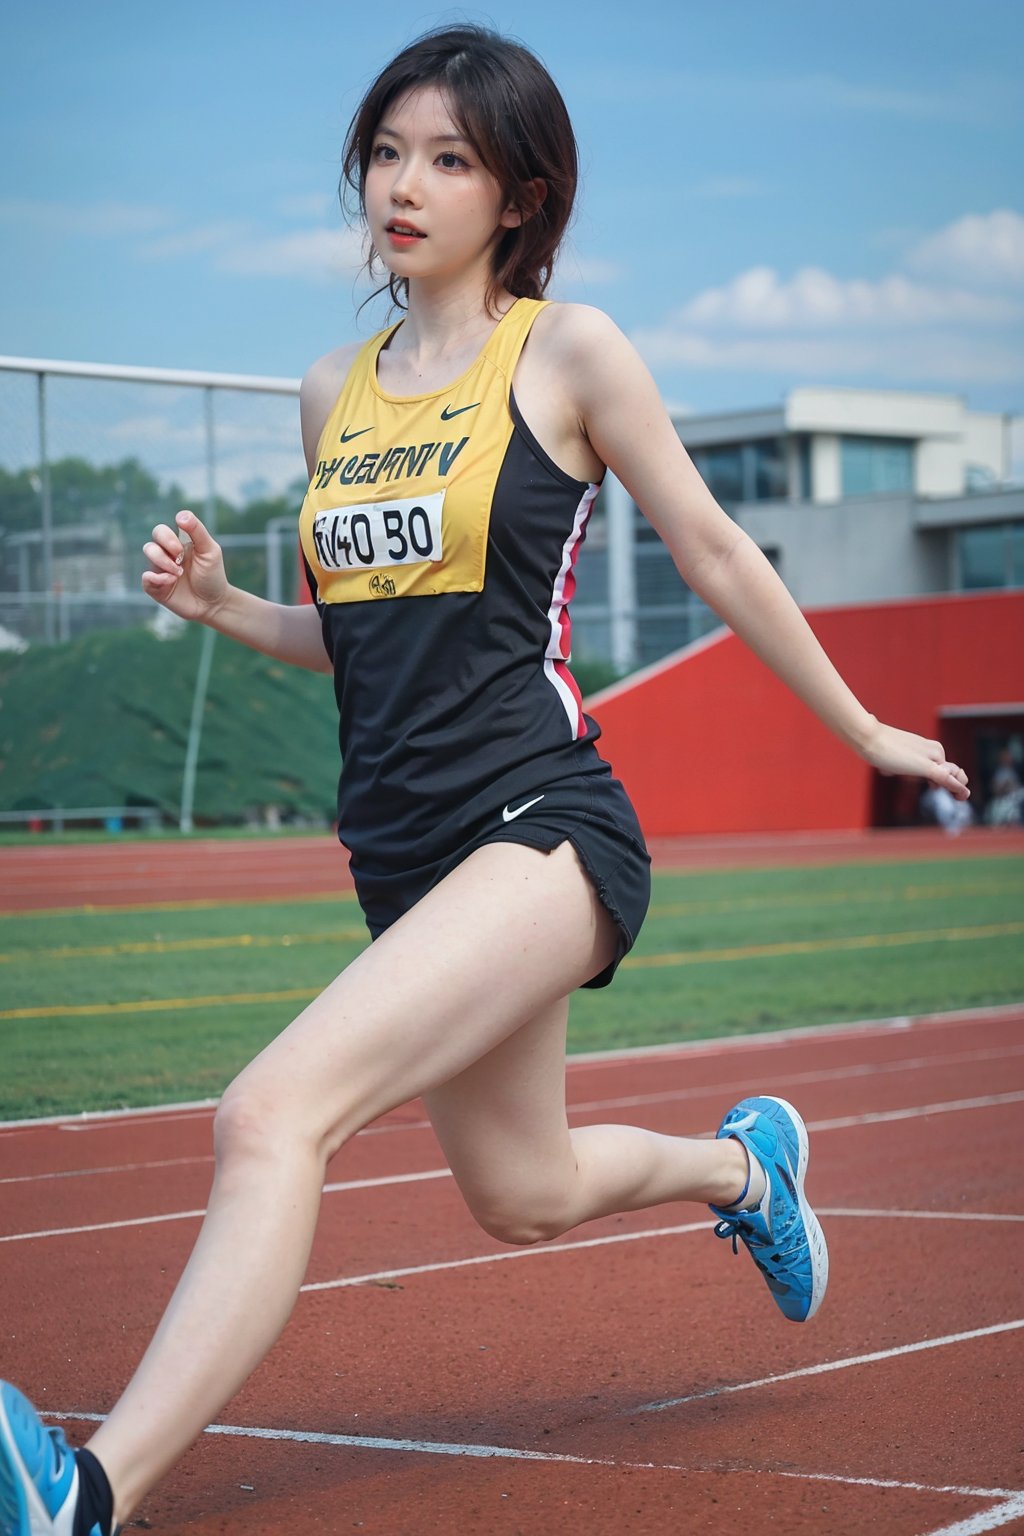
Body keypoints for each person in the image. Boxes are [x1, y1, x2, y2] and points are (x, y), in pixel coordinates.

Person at [0, 25, 971, 1536]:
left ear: (518, 194)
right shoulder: (335, 390)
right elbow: (353, 635)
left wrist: (862, 729)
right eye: (387, 151)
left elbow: (714, 546)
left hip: (543, 826)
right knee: (519, 1196)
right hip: (398, 853)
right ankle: (747, 1170)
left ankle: (88, 1493)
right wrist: (220, 611)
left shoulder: (569, 351)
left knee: (269, 1117)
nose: (404, 183)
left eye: (447, 158)